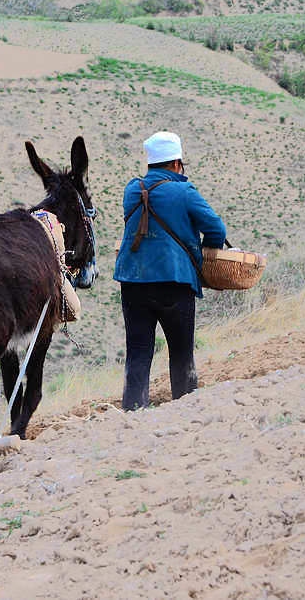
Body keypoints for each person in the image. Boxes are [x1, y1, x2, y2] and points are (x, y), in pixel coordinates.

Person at [114, 131, 226, 411]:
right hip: (174, 281)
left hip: (133, 280)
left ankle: (133, 412)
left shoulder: (132, 189)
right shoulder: (184, 192)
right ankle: (186, 408)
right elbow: (217, 230)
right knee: (181, 351)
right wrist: (205, 253)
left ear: (151, 163)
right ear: (177, 163)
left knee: (138, 352)